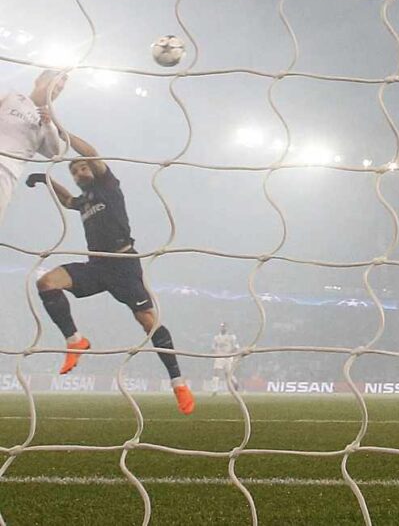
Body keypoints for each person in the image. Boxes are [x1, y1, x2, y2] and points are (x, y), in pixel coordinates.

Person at [26, 131, 195, 415]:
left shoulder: (108, 186)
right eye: (75, 172)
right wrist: (46, 180)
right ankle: (75, 341)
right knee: (46, 282)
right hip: (97, 266)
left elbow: (91, 153)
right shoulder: (84, 200)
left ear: (93, 169)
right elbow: (68, 201)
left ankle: (178, 383)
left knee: (148, 322)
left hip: (124, 264)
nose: (79, 173)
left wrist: (63, 134)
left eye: (83, 168)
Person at [0, 70, 66, 223]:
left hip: (8, 173)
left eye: (59, 89)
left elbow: (55, 153)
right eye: (53, 84)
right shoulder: (12, 97)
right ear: (39, 80)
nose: (55, 91)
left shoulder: (49, 123)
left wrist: (48, 125)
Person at [211, 323, 240, 395]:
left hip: (228, 357)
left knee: (228, 374)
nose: (223, 328)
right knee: (216, 372)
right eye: (222, 327)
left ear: (227, 328)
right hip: (219, 356)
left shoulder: (231, 337)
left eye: (224, 327)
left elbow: (236, 347)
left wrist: (231, 353)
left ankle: (235, 383)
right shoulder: (216, 337)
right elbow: (213, 347)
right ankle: (215, 390)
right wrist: (214, 353)